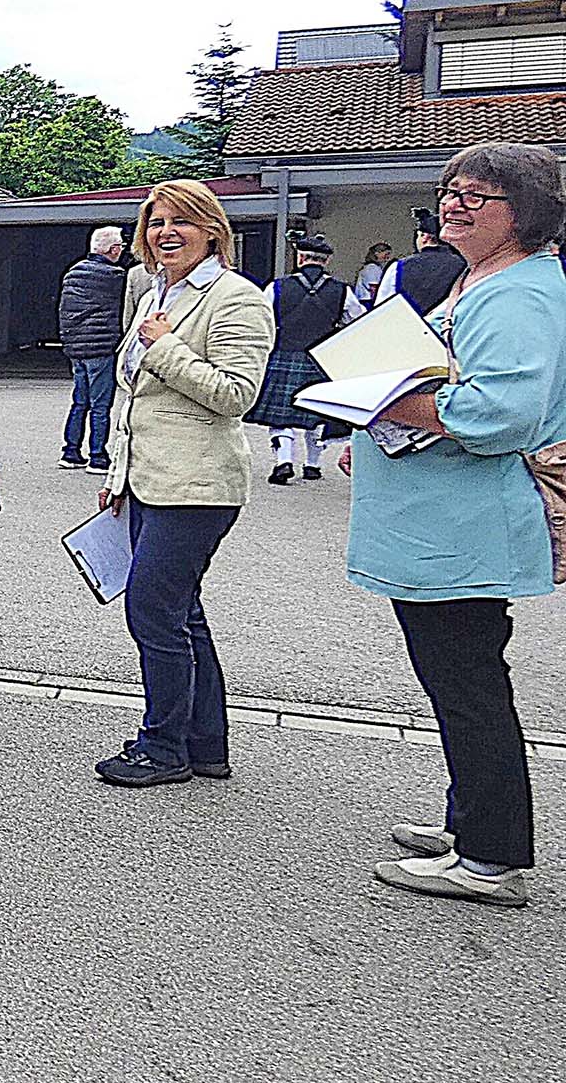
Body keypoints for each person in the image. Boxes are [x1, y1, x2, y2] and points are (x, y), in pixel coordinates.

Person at [344, 143, 566, 908]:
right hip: (444, 519)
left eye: (481, 195)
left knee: (468, 683)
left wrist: (390, 409)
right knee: (459, 678)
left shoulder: (520, 295)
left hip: (468, 523)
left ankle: (489, 858)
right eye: (452, 190)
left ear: (526, 213)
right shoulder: (484, 279)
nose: (457, 204)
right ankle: (469, 821)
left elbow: (502, 411)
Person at [96, 180, 274, 786]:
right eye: (154, 223)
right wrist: (118, 474)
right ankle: (206, 743)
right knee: (181, 611)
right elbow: (132, 398)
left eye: (181, 222)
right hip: (149, 480)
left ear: (212, 230)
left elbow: (236, 394)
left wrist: (168, 347)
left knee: (152, 611)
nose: (164, 233)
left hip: (197, 487)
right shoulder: (155, 293)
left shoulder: (236, 298)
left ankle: (163, 745)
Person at [249, 234, 363, 484]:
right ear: (327, 261)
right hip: (321, 358)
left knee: (282, 415)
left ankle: (284, 461)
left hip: (284, 354)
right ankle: (312, 465)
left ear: (300, 257)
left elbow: (262, 321)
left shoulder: (276, 287)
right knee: (316, 411)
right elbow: (357, 322)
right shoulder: (342, 290)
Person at [56, 225, 129, 474]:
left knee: (79, 401)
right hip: (101, 347)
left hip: (76, 347)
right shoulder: (114, 276)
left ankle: (70, 452)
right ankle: (97, 456)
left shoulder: (73, 272)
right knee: (100, 405)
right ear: (113, 249)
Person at [375, 206, 468, 314]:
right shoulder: (463, 266)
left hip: (409, 327)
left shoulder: (398, 267)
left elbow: (381, 308)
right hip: (448, 327)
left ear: (424, 237)